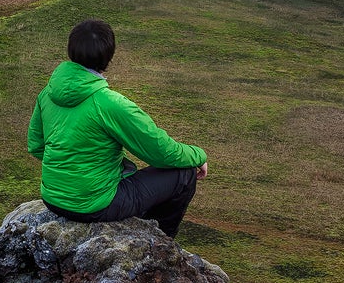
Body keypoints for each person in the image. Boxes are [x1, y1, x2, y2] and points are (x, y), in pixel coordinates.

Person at [27, 18, 208, 238]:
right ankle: (160, 240)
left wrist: (71, 174)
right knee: (184, 173)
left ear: (70, 51)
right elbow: (160, 152)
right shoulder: (110, 103)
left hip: (52, 199)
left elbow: (36, 145)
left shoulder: (47, 93)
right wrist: (198, 155)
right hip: (95, 205)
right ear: (108, 56)